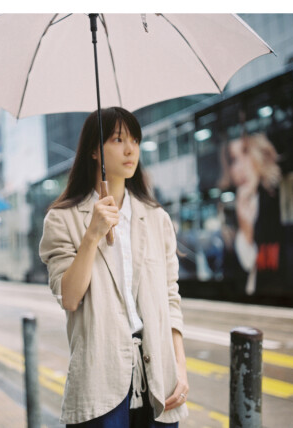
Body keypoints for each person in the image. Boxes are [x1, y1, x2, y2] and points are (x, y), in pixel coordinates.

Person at [39, 107, 189, 427]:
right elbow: (69, 297)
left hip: (159, 378)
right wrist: (92, 235)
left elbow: (170, 297)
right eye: (118, 139)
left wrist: (181, 368)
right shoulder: (63, 219)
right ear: (94, 150)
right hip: (100, 381)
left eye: (135, 139)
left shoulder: (156, 218)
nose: (130, 149)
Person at [218, 132, 283, 297]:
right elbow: (234, 274)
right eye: (233, 160)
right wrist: (245, 232)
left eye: (245, 153)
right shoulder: (229, 212)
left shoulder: (277, 201)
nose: (241, 168)